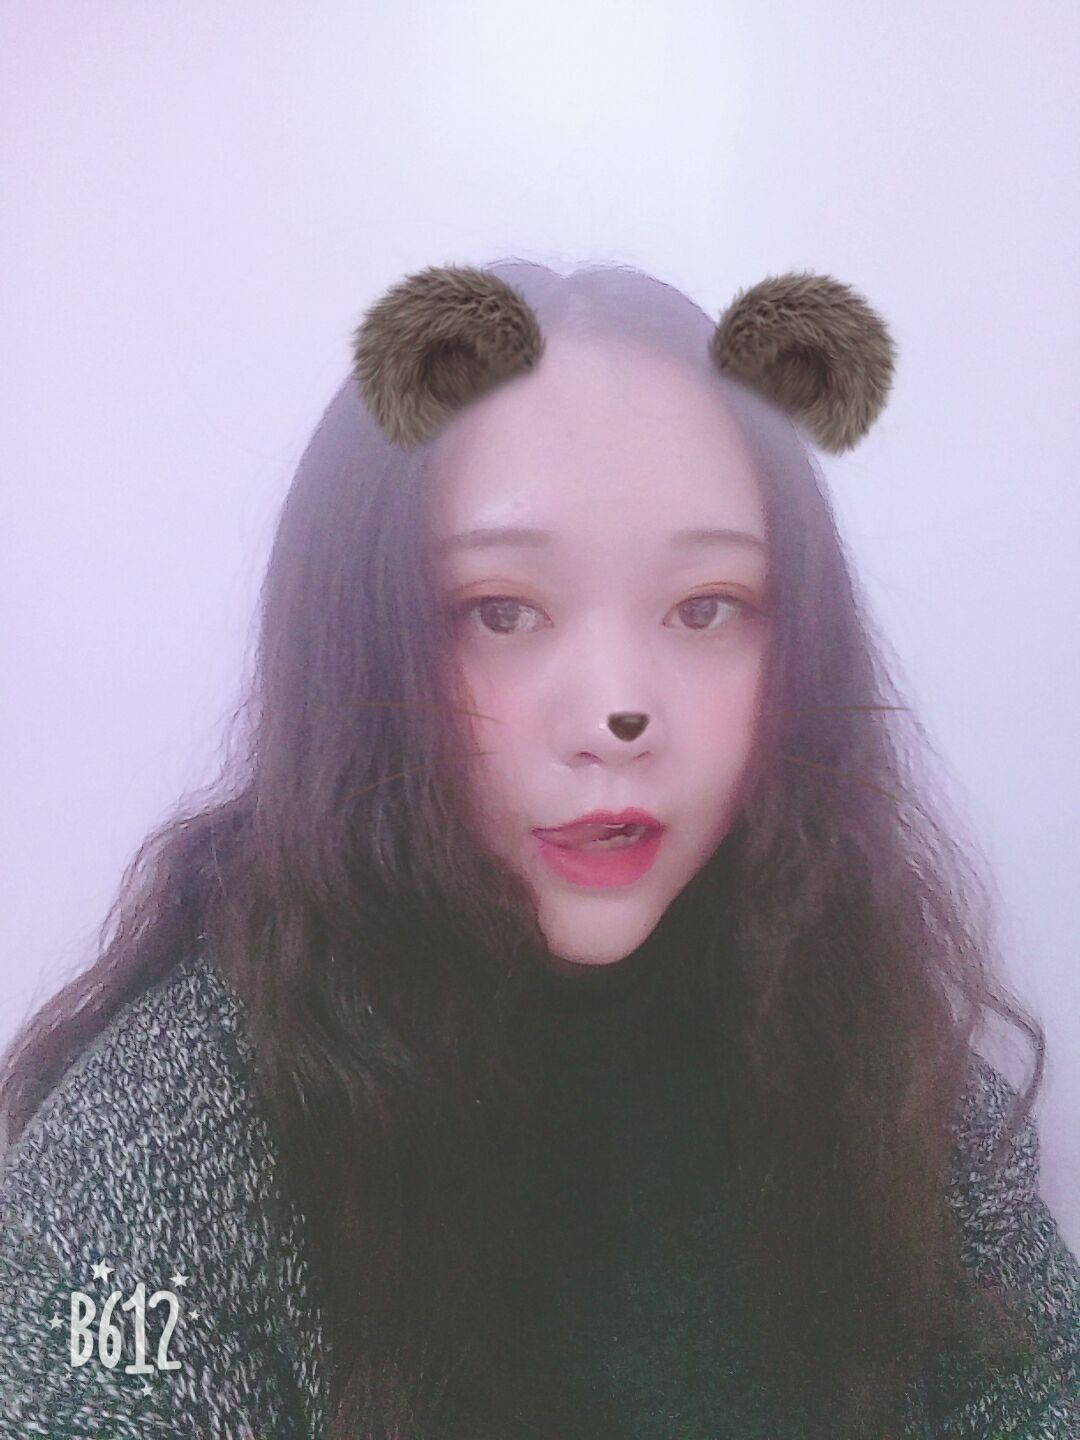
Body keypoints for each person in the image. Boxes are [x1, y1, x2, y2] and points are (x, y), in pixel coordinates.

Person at [1, 258, 1077, 1440]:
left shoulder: (870, 1044)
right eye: (500, 611)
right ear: (355, 650)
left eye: (706, 606)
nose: (618, 715)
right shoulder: (153, 1148)